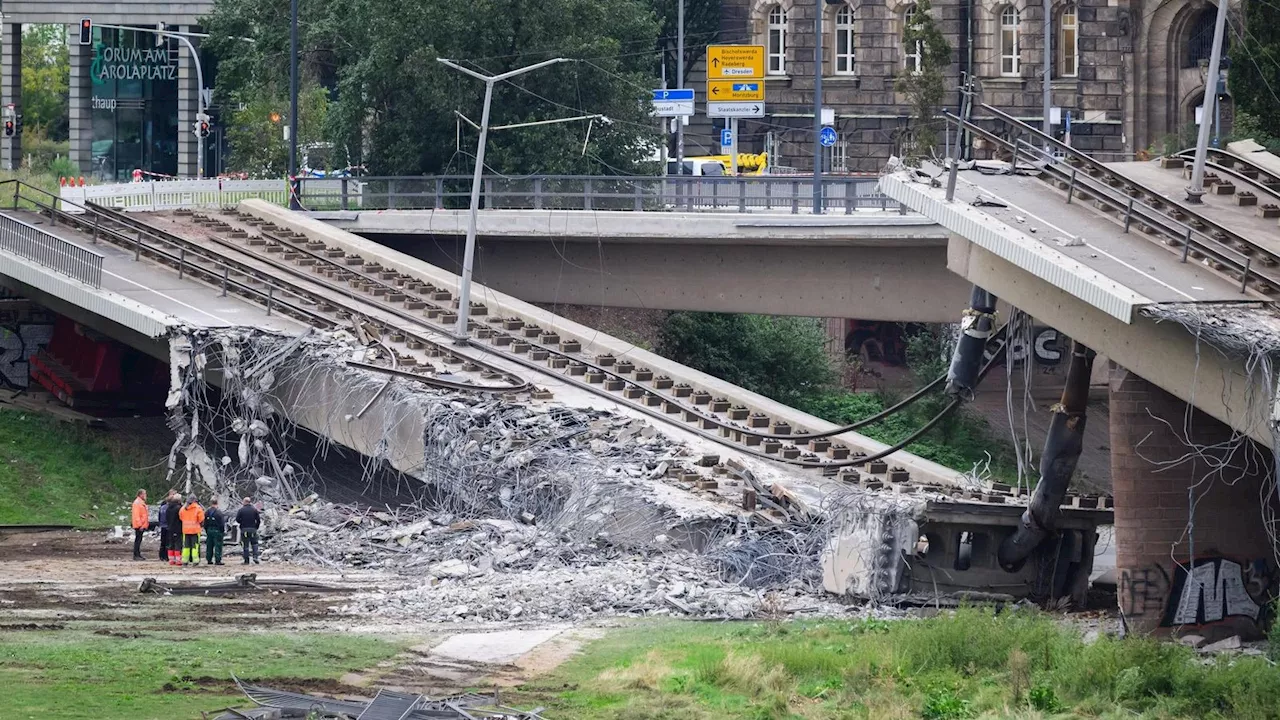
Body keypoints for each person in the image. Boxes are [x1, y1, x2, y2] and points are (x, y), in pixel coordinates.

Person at [178, 494, 205, 566]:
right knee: (195, 546)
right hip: (195, 530)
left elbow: (180, 517)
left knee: (186, 546)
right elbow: (201, 519)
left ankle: (185, 560)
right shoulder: (198, 508)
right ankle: (195, 560)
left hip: (186, 530)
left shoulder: (183, 509)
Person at [235, 496, 261, 565]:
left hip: (244, 530)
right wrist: (256, 527)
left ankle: (246, 560)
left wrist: (242, 523)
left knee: (245, 545)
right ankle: (255, 557)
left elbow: (237, 520)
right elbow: (258, 520)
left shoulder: (241, 510)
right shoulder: (254, 510)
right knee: (255, 544)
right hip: (253, 530)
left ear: (245, 502)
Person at [203, 499, 227, 566]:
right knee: (218, 545)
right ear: (217, 503)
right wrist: (222, 531)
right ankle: (217, 560)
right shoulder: (219, 512)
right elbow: (222, 523)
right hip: (217, 530)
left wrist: (206, 530)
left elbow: (205, 522)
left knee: (209, 545)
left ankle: (209, 559)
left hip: (209, 530)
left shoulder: (207, 512)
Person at [157, 488, 177, 562]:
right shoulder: (166, 505)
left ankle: (164, 555)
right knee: (166, 541)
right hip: (167, 525)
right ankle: (164, 555)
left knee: (166, 541)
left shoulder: (165, 505)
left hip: (165, 525)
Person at [164, 492, 184, 565]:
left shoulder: (168, 508)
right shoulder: (179, 508)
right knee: (178, 544)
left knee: (171, 544)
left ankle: (171, 559)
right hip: (178, 528)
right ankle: (178, 560)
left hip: (170, 528)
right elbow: (181, 518)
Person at [130, 489, 149, 561]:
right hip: (139, 525)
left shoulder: (140, 502)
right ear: (141, 494)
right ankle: (136, 555)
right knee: (138, 540)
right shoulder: (137, 503)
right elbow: (136, 515)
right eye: (145, 494)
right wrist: (140, 525)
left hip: (141, 524)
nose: (146, 496)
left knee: (139, 540)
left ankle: (138, 554)